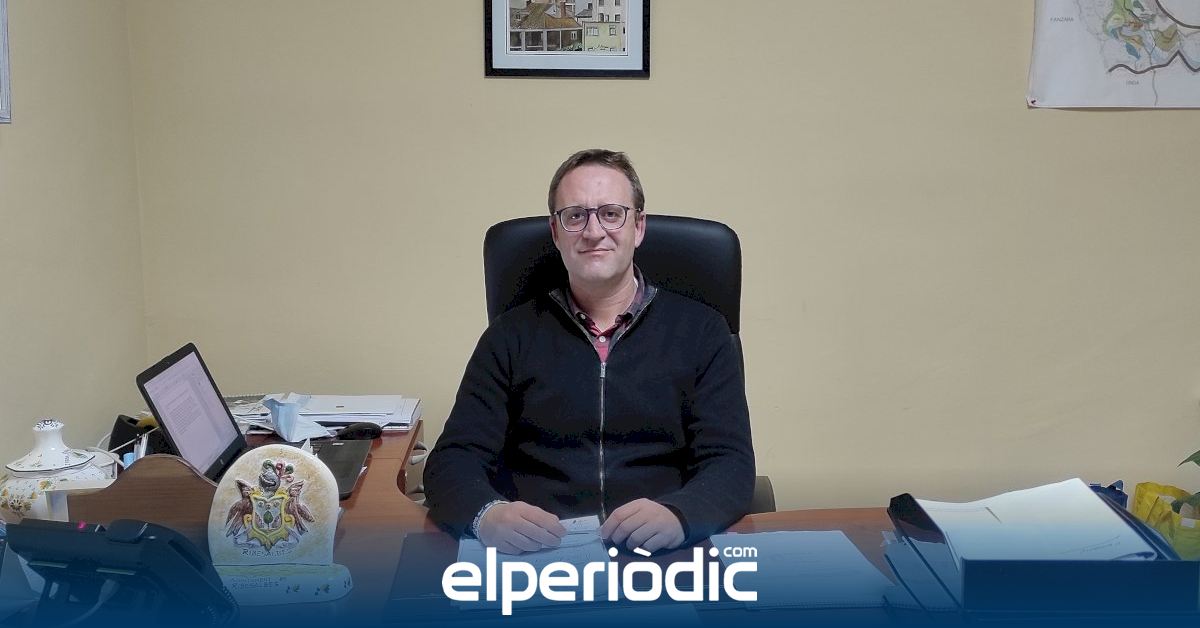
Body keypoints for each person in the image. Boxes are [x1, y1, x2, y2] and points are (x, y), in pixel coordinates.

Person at [424, 148, 754, 555]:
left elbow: (731, 463)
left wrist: (682, 515)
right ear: (555, 231)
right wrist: (486, 515)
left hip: (665, 550)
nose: (594, 231)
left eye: (611, 214)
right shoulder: (509, 336)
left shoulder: (702, 331)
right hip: (542, 554)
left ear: (638, 227)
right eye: (576, 216)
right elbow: (453, 460)